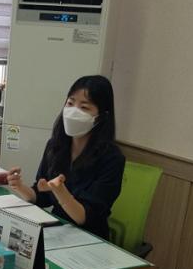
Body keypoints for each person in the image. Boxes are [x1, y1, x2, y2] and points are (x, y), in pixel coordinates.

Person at [7, 75, 125, 240]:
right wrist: (20, 187)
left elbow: (84, 217)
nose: (73, 111)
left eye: (84, 107)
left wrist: (60, 191)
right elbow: (42, 196)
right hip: (57, 230)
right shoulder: (55, 145)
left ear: (101, 116)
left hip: (90, 238)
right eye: (70, 103)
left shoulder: (112, 158)